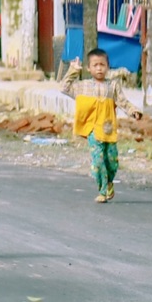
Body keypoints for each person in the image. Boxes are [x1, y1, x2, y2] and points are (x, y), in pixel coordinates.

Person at [61, 48, 141, 203]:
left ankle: (110, 182)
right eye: (95, 65)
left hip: (108, 129)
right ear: (88, 68)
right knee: (97, 161)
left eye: (102, 65)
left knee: (112, 162)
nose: (99, 68)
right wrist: (73, 70)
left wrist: (134, 112)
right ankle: (102, 190)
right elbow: (64, 87)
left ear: (108, 67)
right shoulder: (82, 86)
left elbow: (123, 102)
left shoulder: (113, 86)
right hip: (92, 130)